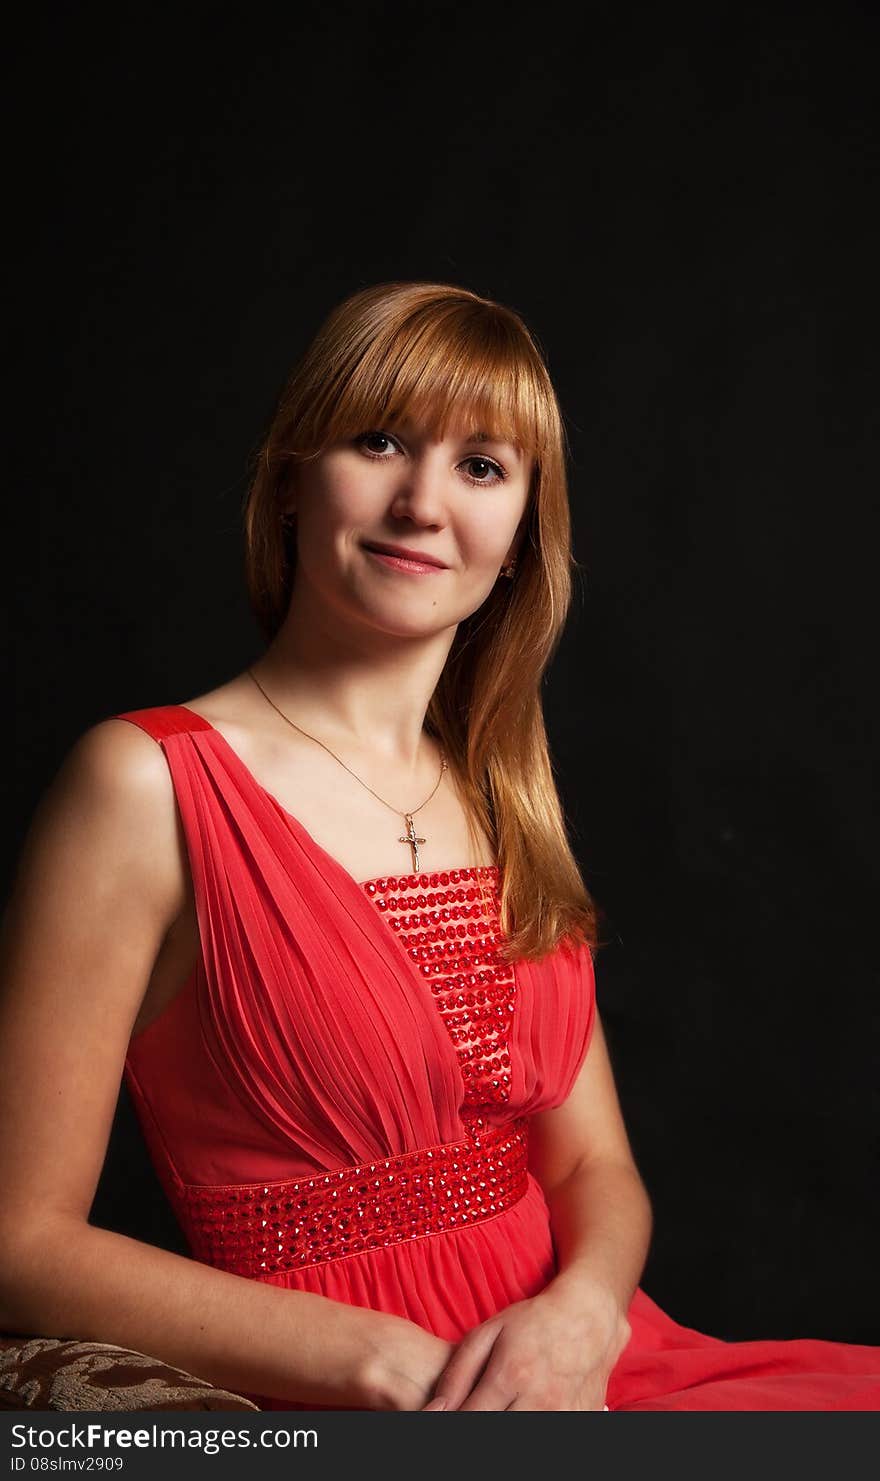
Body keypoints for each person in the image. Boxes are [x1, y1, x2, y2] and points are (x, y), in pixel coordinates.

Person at [0, 281, 877, 1412]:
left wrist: (581, 1313)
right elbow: (20, 1237)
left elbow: (592, 1167)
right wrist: (374, 1358)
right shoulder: (144, 782)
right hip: (352, 1390)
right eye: (378, 441)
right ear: (290, 481)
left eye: (481, 466)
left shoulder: (502, 793)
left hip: (585, 1364)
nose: (422, 502)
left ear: (519, 535)